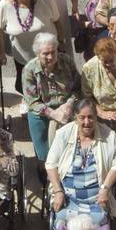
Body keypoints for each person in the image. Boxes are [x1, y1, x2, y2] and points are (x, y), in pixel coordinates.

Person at [45, 99, 116, 230]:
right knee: (62, 223)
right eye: (82, 117)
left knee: (98, 224)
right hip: (68, 199)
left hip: (95, 200)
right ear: (76, 117)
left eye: (90, 117)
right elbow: (51, 164)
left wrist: (105, 189)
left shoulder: (109, 135)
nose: (87, 122)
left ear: (96, 117)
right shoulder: (64, 133)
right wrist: (58, 191)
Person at [23, 33, 82, 162]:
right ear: (38, 54)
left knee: (70, 152)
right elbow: (32, 102)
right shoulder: (30, 69)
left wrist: (70, 103)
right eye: (45, 53)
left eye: (53, 52)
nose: (50, 57)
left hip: (67, 109)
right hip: (41, 113)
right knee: (45, 156)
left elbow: (78, 88)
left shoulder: (67, 61)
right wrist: (53, 114)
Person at [0, 0, 56, 80]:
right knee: (26, 89)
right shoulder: (5, 4)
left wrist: (62, 42)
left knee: (49, 88)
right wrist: (0, 53)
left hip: (47, 57)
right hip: (22, 59)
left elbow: (57, 21)